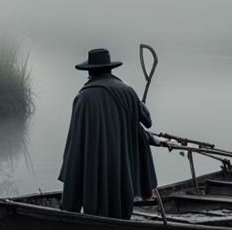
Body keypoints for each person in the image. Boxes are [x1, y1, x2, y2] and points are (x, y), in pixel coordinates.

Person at [58, 48, 158, 219]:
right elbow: (147, 120)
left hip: (95, 170)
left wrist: (70, 197)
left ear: (89, 71)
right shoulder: (128, 91)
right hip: (123, 170)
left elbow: (75, 145)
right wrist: (138, 103)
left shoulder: (83, 98)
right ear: (110, 69)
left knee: (96, 202)